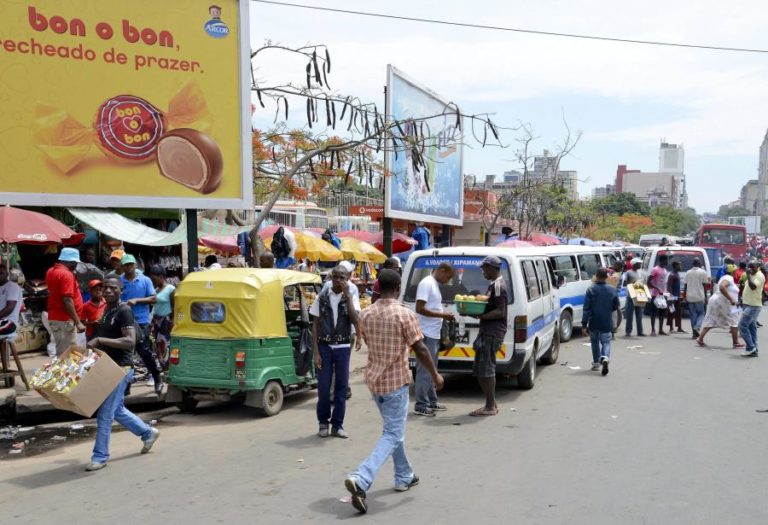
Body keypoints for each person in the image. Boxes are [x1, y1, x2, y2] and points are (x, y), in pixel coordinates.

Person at [344, 269, 444, 514]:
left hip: (375, 381)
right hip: (396, 382)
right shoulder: (403, 314)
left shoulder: (366, 314)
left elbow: (366, 340)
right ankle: (362, 477)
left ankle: (404, 476)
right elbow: (420, 349)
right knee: (392, 433)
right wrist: (434, 375)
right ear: (398, 288)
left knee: (393, 431)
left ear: (378, 287)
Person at [85, 277, 159, 471]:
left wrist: (100, 340)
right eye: (105, 288)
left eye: (113, 288)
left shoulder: (124, 311)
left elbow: (129, 341)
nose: (108, 291)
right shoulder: (107, 310)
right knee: (116, 410)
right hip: (107, 366)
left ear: (121, 290)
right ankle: (147, 433)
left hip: (121, 368)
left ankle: (100, 456)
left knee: (105, 414)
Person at [311, 265, 360, 439]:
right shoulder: (321, 297)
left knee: (341, 387)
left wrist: (347, 297)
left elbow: (355, 320)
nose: (339, 280)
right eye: (336, 277)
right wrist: (316, 352)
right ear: (331, 277)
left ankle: (337, 425)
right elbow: (315, 326)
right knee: (323, 388)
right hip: (324, 347)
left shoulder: (351, 297)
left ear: (347, 279)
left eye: (343, 278)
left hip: (342, 346)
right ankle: (323, 422)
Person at [413, 262, 455, 417]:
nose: (448, 280)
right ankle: (421, 404)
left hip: (433, 333)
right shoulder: (426, 283)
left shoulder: (434, 284)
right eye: (448, 276)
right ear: (442, 271)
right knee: (424, 370)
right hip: (425, 332)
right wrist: (443, 315)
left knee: (432, 369)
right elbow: (420, 309)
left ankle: (431, 400)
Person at [468, 256, 507, 417]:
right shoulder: (493, 285)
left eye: (484, 269)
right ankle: (491, 404)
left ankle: (490, 407)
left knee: (486, 370)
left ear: (491, 268)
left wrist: (481, 317)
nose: (482, 272)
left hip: (492, 332)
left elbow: (500, 311)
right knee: (480, 370)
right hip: (487, 331)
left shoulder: (498, 286)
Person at [120, 254, 163, 394]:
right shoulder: (120, 281)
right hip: (125, 322)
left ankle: (157, 378)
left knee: (144, 351)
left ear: (135, 265)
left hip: (142, 321)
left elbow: (154, 298)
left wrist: (137, 300)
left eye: (130, 264)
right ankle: (126, 386)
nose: (129, 267)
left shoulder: (145, 280)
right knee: (126, 355)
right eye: (126, 265)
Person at [45, 248, 85, 356]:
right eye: (76, 263)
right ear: (72, 261)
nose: (76, 265)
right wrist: (78, 322)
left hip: (58, 318)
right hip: (64, 319)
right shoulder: (66, 275)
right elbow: (67, 300)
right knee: (67, 354)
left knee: (66, 352)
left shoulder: (51, 271)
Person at [696, 264, 745, 349]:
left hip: (717, 301)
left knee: (712, 319)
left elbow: (726, 287)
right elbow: (722, 287)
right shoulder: (728, 278)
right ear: (732, 271)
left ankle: (700, 338)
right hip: (723, 302)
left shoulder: (725, 277)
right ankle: (735, 342)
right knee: (734, 321)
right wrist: (731, 299)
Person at [583, 267, 620, 375]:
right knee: (606, 342)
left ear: (596, 276)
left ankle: (596, 363)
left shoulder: (591, 289)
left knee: (594, 342)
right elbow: (616, 306)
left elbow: (586, 309)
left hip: (594, 321)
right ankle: (605, 357)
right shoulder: (612, 289)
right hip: (606, 321)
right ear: (606, 277)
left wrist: (584, 325)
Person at [148, 265, 175, 369]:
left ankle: (168, 368)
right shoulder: (156, 290)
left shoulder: (171, 289)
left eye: (154, 279)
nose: (153, 281)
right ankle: (163, 367)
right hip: (157, 322)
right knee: (158, 346)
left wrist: (173, 321)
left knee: (166, 346)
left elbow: (175, 307)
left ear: (161, 276)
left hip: (166, 322)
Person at [739, 261, 764, 357]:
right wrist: (742, 300)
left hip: (753, 305)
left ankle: (750, 347)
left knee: (742, 325)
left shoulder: (759, 276)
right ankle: (754, 349)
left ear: (758, 267)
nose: (751, 269)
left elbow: (753, 287)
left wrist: (748, 275)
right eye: (749, 267)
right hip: (747, 304)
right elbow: (748, 289)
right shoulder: (752, 275)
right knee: (752, 327)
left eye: (753, 267)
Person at [684, 258, 710, 339]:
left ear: (692, 263)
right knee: (701, 314)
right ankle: (697, 327)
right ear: (699, 263)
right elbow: (705, 286)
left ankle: (694, 334)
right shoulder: (703, 272)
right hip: (699, 296)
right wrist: (706, 297)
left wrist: (685, 296)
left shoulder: (688, 272)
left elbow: (685, 285)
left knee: (693, 315)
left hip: (690, 297)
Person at [647, 255, 669, 336]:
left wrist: (666, 292)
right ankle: (653, 330)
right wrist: (657, 288)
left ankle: (661, 330)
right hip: (655, 295)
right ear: (662, 260)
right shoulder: (655, 269)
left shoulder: (665, 270)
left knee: (662, 312)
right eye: (666, 260)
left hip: (663, 295)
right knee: (654, 313)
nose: (667, 262)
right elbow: (648, 282)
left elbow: (664, 283)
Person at [623, 258, 645, 337]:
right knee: (629, 315)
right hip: (631, 295)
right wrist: (633, 284)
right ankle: (628, 331)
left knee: (639, 315)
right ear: (634, 264)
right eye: (638, 263)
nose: (640, 265)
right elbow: (625, 283)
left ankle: (640, 331)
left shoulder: (640, 273)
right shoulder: (628, 273)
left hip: (639, 294)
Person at [0, 263, 23, 335]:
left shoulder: (12, 286)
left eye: (1, 273)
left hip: (9, 322)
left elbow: (10, 308)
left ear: (7, 274)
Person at [666, 261, 685, 333]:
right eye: (680, 265)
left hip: (677, 296)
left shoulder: (677, 274)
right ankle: (671, 328)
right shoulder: (672, 275)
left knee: (678, 312)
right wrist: (671, 296)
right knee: (671, 312)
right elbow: (669, 286)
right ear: (675, 266)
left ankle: (679, 327)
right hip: (672, 297)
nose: (681, 266)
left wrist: (679, 295)